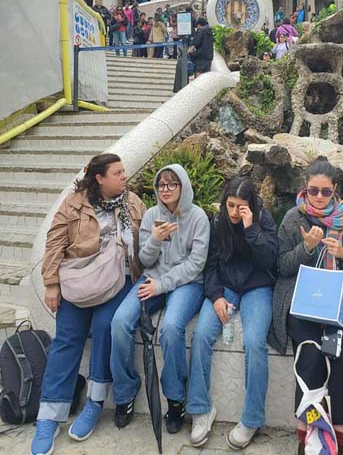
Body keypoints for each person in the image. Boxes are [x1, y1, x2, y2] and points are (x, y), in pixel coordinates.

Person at [30, 154, 146, 455]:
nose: (124, 176)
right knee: (66, 340)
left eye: (124, 171)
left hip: (119, 281)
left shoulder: (131, 202)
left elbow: (145, 242)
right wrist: (52, 283)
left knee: (105, 327)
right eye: (117, 172)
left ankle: (94, 403)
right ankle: (49, 416)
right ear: (100, 178)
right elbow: (54, 241)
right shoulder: (75, 203)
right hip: (79, 283)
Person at [269, 157, 343, 455]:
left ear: (335, 190)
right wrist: (305, 248)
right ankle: (310, 439)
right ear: (305, 188)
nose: (319, 197)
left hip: (341, 303)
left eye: (325, 192)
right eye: (313, 191)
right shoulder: (294, 218)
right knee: (310, 360)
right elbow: (281, 265)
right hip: (304, 302)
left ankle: (340, 443)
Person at [110, 164, 210, 433]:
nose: (165, 190)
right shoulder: (152, 215)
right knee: (119, 322)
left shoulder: (198, 218)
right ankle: (125, 391)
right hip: (152, 278)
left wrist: (162, 285)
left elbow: (196, 265)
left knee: (170, 328)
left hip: (186, 284)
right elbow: (144, 260)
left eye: (171, 184)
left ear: (183, 186)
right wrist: (154, 239)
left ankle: (175, 399)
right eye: (161, 185)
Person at [187, 177, 277, 449]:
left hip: (257, 287)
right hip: (224, 286)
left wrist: (252, 230)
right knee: (201, 334)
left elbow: (271, 261)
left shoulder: (264, 220)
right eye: (230, 205)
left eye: (241, 206)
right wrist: (215, 296)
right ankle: (201, 409)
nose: (235, 212)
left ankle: (251, 418)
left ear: (251, 205)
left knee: (254, 342)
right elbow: (210, 264)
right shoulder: (217, 222)